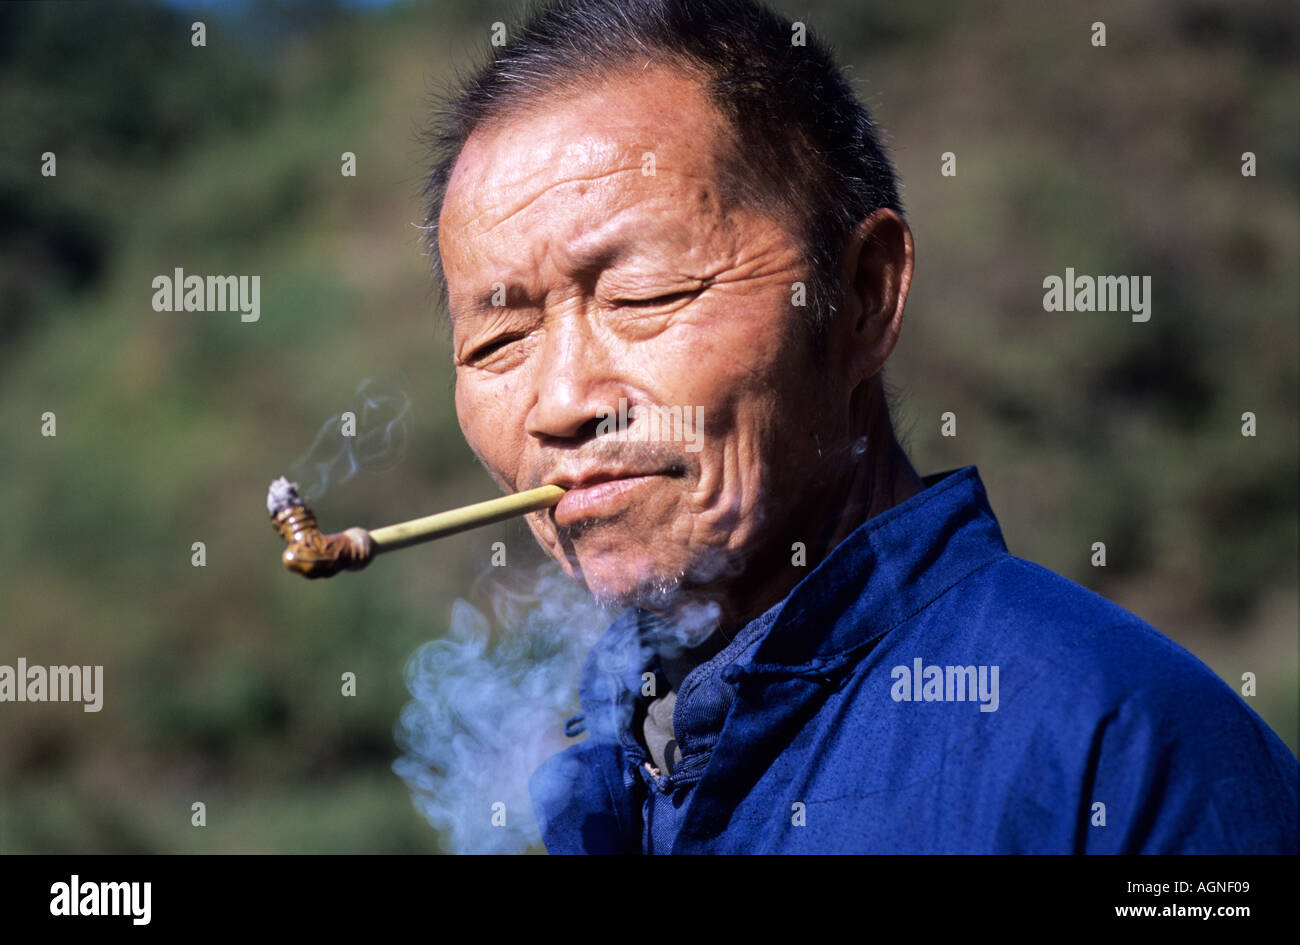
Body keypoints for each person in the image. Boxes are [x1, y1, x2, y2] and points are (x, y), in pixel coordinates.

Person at [423, 0, 1299, 853]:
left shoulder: (1113, 752)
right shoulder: (597, 782)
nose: (563, 402)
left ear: (863, 297)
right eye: (499, 339)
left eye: (646, 295)